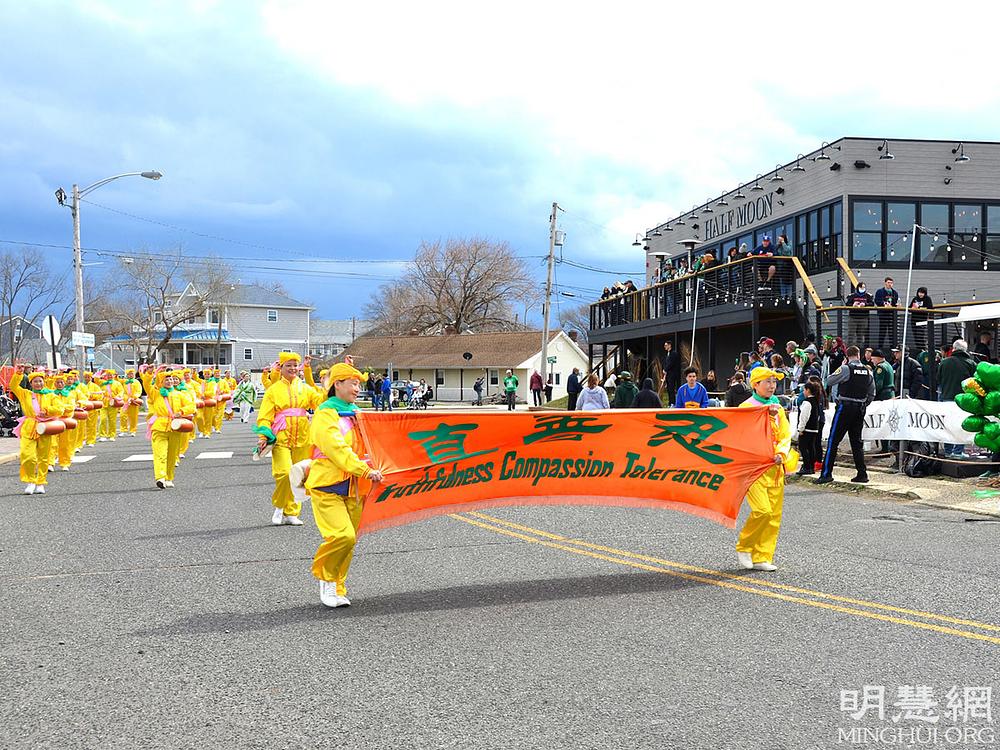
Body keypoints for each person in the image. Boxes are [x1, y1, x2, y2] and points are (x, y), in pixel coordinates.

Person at [306, 360, 384, 608]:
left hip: (354, 486)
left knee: (350, 541)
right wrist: (364, 469)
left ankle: (338, 587)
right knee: (342, 536)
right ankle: (326, 579)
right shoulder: (325, 412)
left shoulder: (355, 414)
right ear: (337, 384)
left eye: (358, 384)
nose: (357, 389)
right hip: (328, 484)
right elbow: (335, 448)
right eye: (353, 384)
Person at [735, 367, 797, 572]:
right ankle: (745, 546)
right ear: (755, 384)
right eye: (767, 382)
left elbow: (785, 434)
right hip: (754, 468)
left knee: (773, 515)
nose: (772, 386)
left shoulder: (777, 406)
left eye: (774, 382)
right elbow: (742, 437)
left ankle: (762, 556)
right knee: (762, 510)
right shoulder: (746, 407)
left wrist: (781, 453)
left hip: (775, 467)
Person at [256, 351, 324, 526]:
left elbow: (321, 402)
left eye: (295, 365)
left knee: (299, 476)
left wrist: (329, 382)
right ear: (282, 367)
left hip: (303, 436)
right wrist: (263, 436)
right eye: (289, 365)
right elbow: (264, 416)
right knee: (284, 473)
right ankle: (279, 506)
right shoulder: (273, 390)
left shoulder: (305, 388)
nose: (293, 369)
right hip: (281, 437)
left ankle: (292, 512)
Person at [815, 346, 874, 484]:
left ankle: (826, 474)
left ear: (847, 356)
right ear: (859, 355)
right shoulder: (868, 372)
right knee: (857, 442)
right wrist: (864, 404)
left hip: (845, 407)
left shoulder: (846, 368)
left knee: (833, 441)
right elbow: (872, 393)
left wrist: (841, 367)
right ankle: (862, 474)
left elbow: (829, 381)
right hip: (860, 408)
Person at [140, 364, 192, 490]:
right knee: (160, 454)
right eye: (166, 380)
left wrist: (182, 411)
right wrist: (149, 373)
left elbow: (191, 406)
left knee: (172, 455)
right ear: (161, 382)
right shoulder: (156, 393)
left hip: (175, 427)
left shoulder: (179, 394)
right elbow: (147, 384)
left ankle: (169, 478)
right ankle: (160, 478)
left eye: (170, 379)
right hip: (159, 427)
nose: (169, 381)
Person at [9, 365, 60, 494]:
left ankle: (40, 483)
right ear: (31, 383)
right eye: (35, 381)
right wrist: (19, 373)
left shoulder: (51, 395)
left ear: (44, 382)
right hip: (29, 426)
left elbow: (60, 409)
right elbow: (13, 386)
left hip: (45, 427)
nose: (38, 383)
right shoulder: (25, 394)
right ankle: (30, 481)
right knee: (28, 456)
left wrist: (48, 411)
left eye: (40, 381)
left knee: (44, 457)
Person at [937, 339, 977, 458]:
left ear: (953, 349)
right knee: (962, 425)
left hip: (946, 398)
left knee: (948, 425)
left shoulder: (944, 363)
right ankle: (958, 451)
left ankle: (948, 451)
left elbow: (938, 379)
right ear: (965, 350)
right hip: (964, 400)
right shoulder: (971, 364)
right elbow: (975, 383)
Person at [795, 381, 824, 477]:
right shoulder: (816, 401)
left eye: (804, 390)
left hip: (807, 429)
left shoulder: (807, 402)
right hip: (814, 428)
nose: (803, 392)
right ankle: (811, 466)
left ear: (808, 390)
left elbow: (804, 417)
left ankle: (807, 466)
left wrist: (800, 428)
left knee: (803, 447)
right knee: (811, 448)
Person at [873, 277, 900, 351]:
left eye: (891, 283)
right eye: (888, 282)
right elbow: (877, 301)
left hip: (892, 314)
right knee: (882, 331)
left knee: (892, 332)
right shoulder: (880, 291)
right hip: (883, 314)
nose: (890, 284)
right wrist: (884, 304)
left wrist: (897, 305)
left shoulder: (895, 292)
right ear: (885, 283)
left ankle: (893, 347)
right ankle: (880, 347)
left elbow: (896, 302)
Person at [846, 282, 874, 349]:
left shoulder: (868, 296)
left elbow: (872, 304)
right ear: (858, 288)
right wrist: (853, 305)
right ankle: (849, 350)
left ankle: (858, 350)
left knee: (860, 336)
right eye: (861, 287)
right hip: (853, 318)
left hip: (863, 318)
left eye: (864, 287)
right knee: (851, 335)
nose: (863, 289)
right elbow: (847, 304)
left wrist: (865, 304)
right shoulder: (852, 295)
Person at [908, 287, 934, 351]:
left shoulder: (927, 299)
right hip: (914, 319)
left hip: (922, 319)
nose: (920, 294)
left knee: (920, 335)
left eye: (922, 293)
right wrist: (912, 308)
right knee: (915, 336)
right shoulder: (915, 299)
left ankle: (923, 349)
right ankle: (919, 350)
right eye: (919, 292)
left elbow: (930, 308)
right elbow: (909, 308)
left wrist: (919, 307)